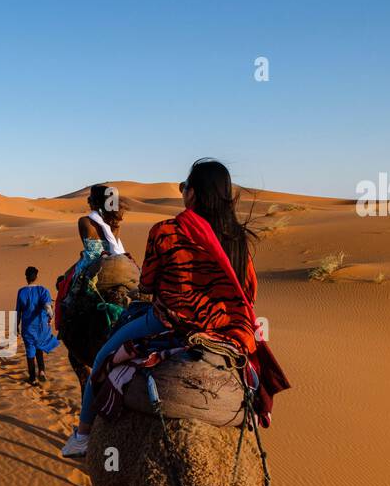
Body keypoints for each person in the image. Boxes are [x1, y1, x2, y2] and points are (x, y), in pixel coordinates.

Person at [61, 159, 260, 457]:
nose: (183, 192)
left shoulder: (166, 230)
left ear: (192, 194)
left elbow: (148, 284)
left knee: (101, 359)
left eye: (185, 187)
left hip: (169, 323)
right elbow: (247, 290)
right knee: (255, 379)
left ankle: (82, 435)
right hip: (226, 329)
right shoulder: (238, 237)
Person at [15, 266, 58, 384]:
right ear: (36, 277)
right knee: (39, 347)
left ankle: (32, 378)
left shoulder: (21, 292)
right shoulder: (43, 290)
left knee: (30, 350)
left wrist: (16, 327)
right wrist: (51, 317)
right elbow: (48, 306)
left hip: (28, 327)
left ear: (26, 278)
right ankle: (42, 371)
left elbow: (18, 311)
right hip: (41, 326)